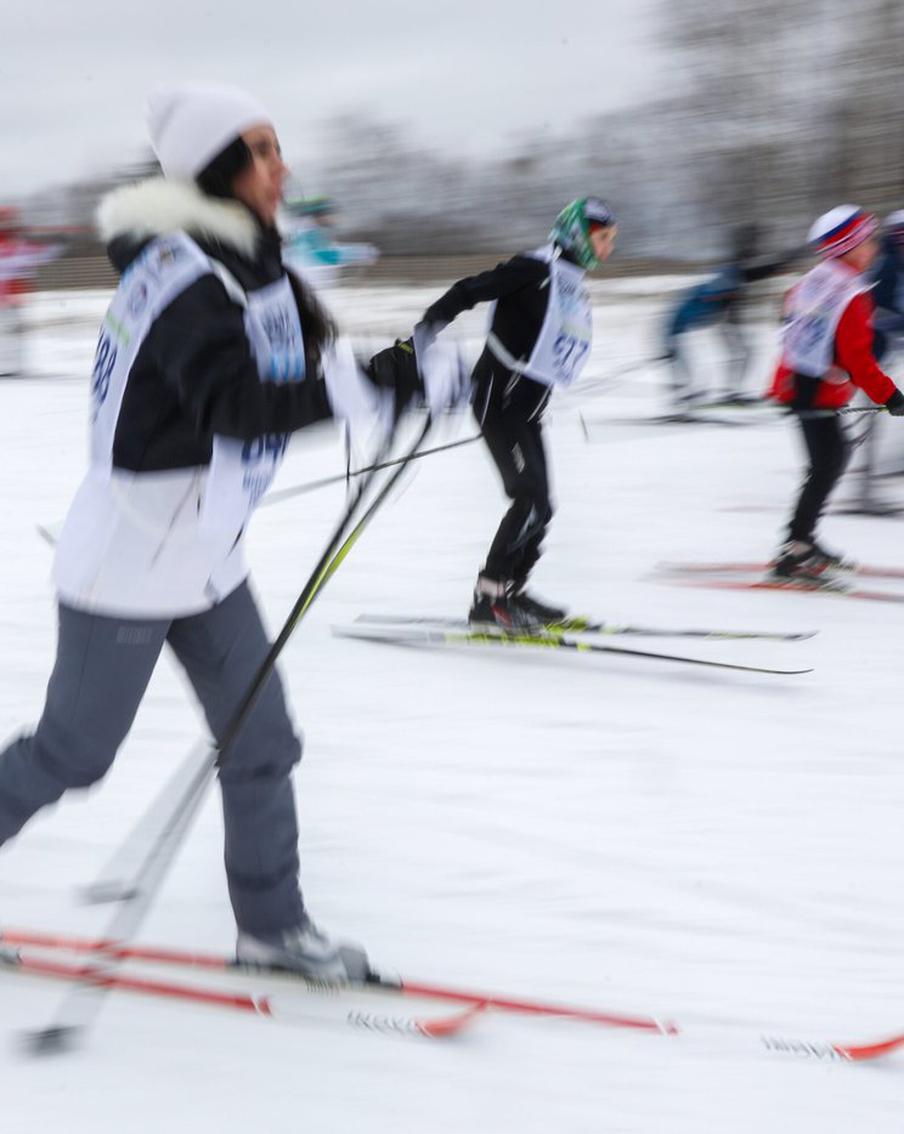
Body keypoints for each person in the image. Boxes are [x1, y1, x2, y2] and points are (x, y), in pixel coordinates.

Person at [0, 82, 438, 981]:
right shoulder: (180, 278)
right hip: (126, 561)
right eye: (264, 150)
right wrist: (361, 394)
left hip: (206, 558)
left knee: (264, 740)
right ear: (216, 168)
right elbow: (237, 405)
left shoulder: (249, 262)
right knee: (74, 753)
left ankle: (271, 927)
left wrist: (405, 373)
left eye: (279, 147)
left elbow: (301, 365)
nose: (283, 168)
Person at [415, 196, 616, 629]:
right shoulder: (534, 269)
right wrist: (422, 334)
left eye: (610, 239)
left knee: (543, 505)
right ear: (579, 235)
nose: (608, 247)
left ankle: (512, 592)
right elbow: (470, 290)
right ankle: (489, 600)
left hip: (526, 409)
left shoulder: (570, 280)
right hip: (498, 402)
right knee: (529, 499)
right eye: (602, 238)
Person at [767, 204, 904, 584]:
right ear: (852, 246)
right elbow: (858, 359)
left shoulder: (816, 279)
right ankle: (795, 551)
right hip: (813, 391)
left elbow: (788, 321)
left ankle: (802, 540)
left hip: (799, 385)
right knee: (825, 465)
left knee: (830, 460)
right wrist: (892, 397)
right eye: (869, 241)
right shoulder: (850, 294)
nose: (875, 247)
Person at [663, 225, 794, 411]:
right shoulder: (729, 275)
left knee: (744, 353)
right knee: (690, 361)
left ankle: (726, 393)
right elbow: (716, 292)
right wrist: (726, 294)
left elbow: (753, 274)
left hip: (714, 323)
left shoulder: (733, 273)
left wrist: (780, 264)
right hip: (678, 329)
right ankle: (688, 399)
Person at [0, 208, 63, 378]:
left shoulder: (17, 244)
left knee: (13, 333)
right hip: (9, 299)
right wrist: (57, 243)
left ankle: (11, 366)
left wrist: (57, 243)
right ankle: (8, 366)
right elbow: (39, 253)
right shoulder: (15, 245)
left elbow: (40, 253)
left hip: (13, 299)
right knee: (9, 332)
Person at [282, 194, 378, 288]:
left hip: (312, 285)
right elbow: (323, 255)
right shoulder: (308, 233)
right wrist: (360, 253)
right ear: (319, 215)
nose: (334, 218)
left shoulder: (306, 231)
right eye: (330, 213)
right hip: (311, 285)